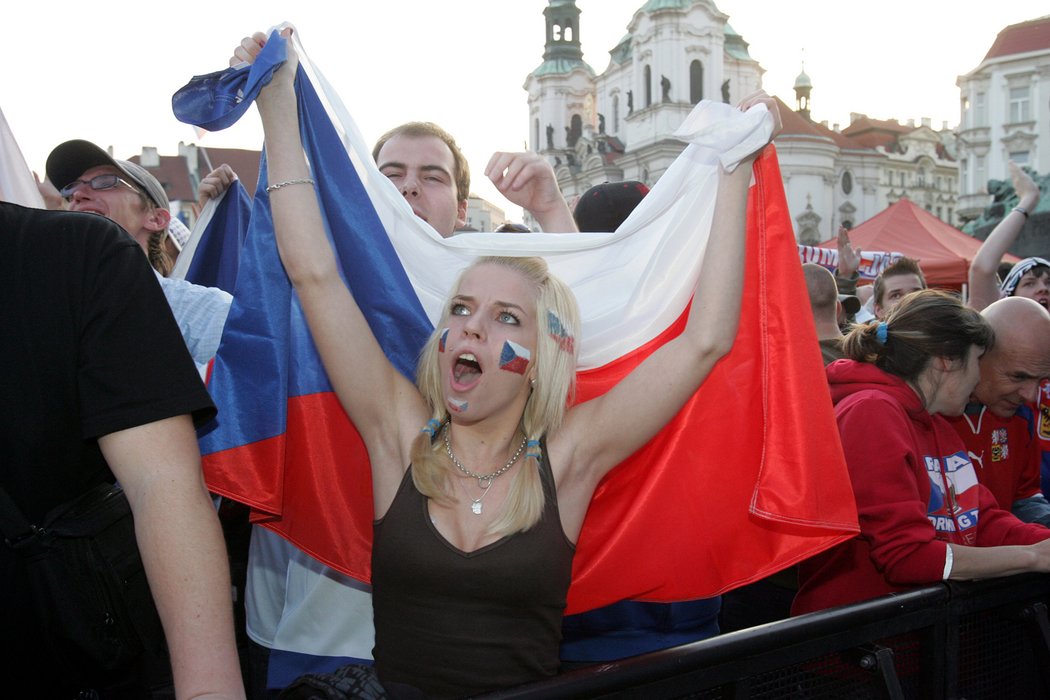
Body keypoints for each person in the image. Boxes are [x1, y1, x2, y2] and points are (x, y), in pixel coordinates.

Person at [238, 27, 779, 697]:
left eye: (507, 318)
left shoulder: (572, 456)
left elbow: (705, 341)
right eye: (461, 309)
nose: (473, 327)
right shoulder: (399, 434)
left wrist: (733, 167)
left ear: (542, 355)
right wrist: (279, 107)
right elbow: (313, 272)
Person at [0, 201, 244, 698]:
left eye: (105, 181)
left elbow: (163, 485)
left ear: (155, 216)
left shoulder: (79, 256)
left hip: (68, 641)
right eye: (74, 185)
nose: (83, 193)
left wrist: (208, 688)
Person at [793, 290, 1050, 615]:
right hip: (858, 644)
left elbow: (980, 520)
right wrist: (1034, 557)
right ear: (947, 361)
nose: (977, 378)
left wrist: (1042, 542)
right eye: (976, 362)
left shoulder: (935, 421)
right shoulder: (872, 411)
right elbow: (905, 556)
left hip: (911, 640)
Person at [45, 140, 232, 376]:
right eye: (69, 191)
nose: (78, 195)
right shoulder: (45, 310)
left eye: (104, 182)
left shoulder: (205, 311)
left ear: (155, 219)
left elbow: (240, 398)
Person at [946, 297, 1050, 525]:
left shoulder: (1021, 416)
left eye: (1041, 380)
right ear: (977, 356)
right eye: (1018, 377)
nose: (1030, 395)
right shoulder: (928, 414)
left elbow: (1023, 497)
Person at [968, 161, 1045, 312]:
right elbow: (982, 268)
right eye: (1029, 283)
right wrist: (1029, 199)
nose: (1043, 288)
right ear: (1007, 296)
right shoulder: (998, 326)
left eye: (1049, 282)